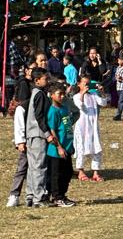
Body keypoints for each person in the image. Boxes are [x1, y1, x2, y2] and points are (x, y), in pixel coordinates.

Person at [24, 68, 52, 207]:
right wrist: (47, 134)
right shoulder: (40, 94)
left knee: (32, 167)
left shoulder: (35, 93)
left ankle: (30, 195)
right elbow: (40, 116)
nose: (47, 81)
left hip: (31, 134)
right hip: (38, 134)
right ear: (37, 81)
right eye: (45, 79)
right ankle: (39, 198)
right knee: (39, 166)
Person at [45, 82, 76, 208]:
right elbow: (52, 131)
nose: (62, 96)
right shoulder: (53, 111)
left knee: (68, 173)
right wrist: (59, 147)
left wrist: (70, 145)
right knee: (57, 175)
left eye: (64, 93)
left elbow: (68, 127)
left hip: (67, 147)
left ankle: (62, 195)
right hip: (57, 150)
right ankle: (57, 197)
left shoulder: (64, 109)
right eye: (59, 94)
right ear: (52, 95)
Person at [73, 75, 106, 182]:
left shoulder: (93, 95)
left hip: (93, 125)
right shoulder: (76, 96)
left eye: (88, 83)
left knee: (96, 147)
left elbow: (103, 103)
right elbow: (80, 106)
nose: (86, 86)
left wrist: (102, 92)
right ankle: (81, 171)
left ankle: (96, 172)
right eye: (84, 83)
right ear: (79, 84)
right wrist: (82, 94)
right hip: (82, 125)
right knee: (81, 147)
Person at [8, 94, 28, 207]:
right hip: (25, 142)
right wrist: (20, 141)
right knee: (22, 168)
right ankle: (14, 195)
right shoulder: (22, 107)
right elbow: (19, 125)